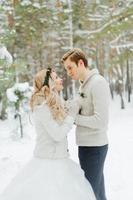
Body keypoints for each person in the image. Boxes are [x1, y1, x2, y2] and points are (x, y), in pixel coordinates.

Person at [0, 67, 96, 200]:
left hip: (61, 160)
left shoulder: (55, 102)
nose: (60, 79)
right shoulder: (42, 108)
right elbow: (57, 135)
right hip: (48, 164)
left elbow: (63, 113)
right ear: (48, 84)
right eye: (56, 78)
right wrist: (72, 115)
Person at [61, 48, 110, 200]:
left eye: (70, 67)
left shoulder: (97, 83)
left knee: (89, 194)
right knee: (97, 193)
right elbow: (76, 106)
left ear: (80, 63)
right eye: (66, 69)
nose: (68, 72)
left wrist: (74, 120)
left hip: (95, 147)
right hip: (87, 146)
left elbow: (101, 121)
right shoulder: (83, 85)